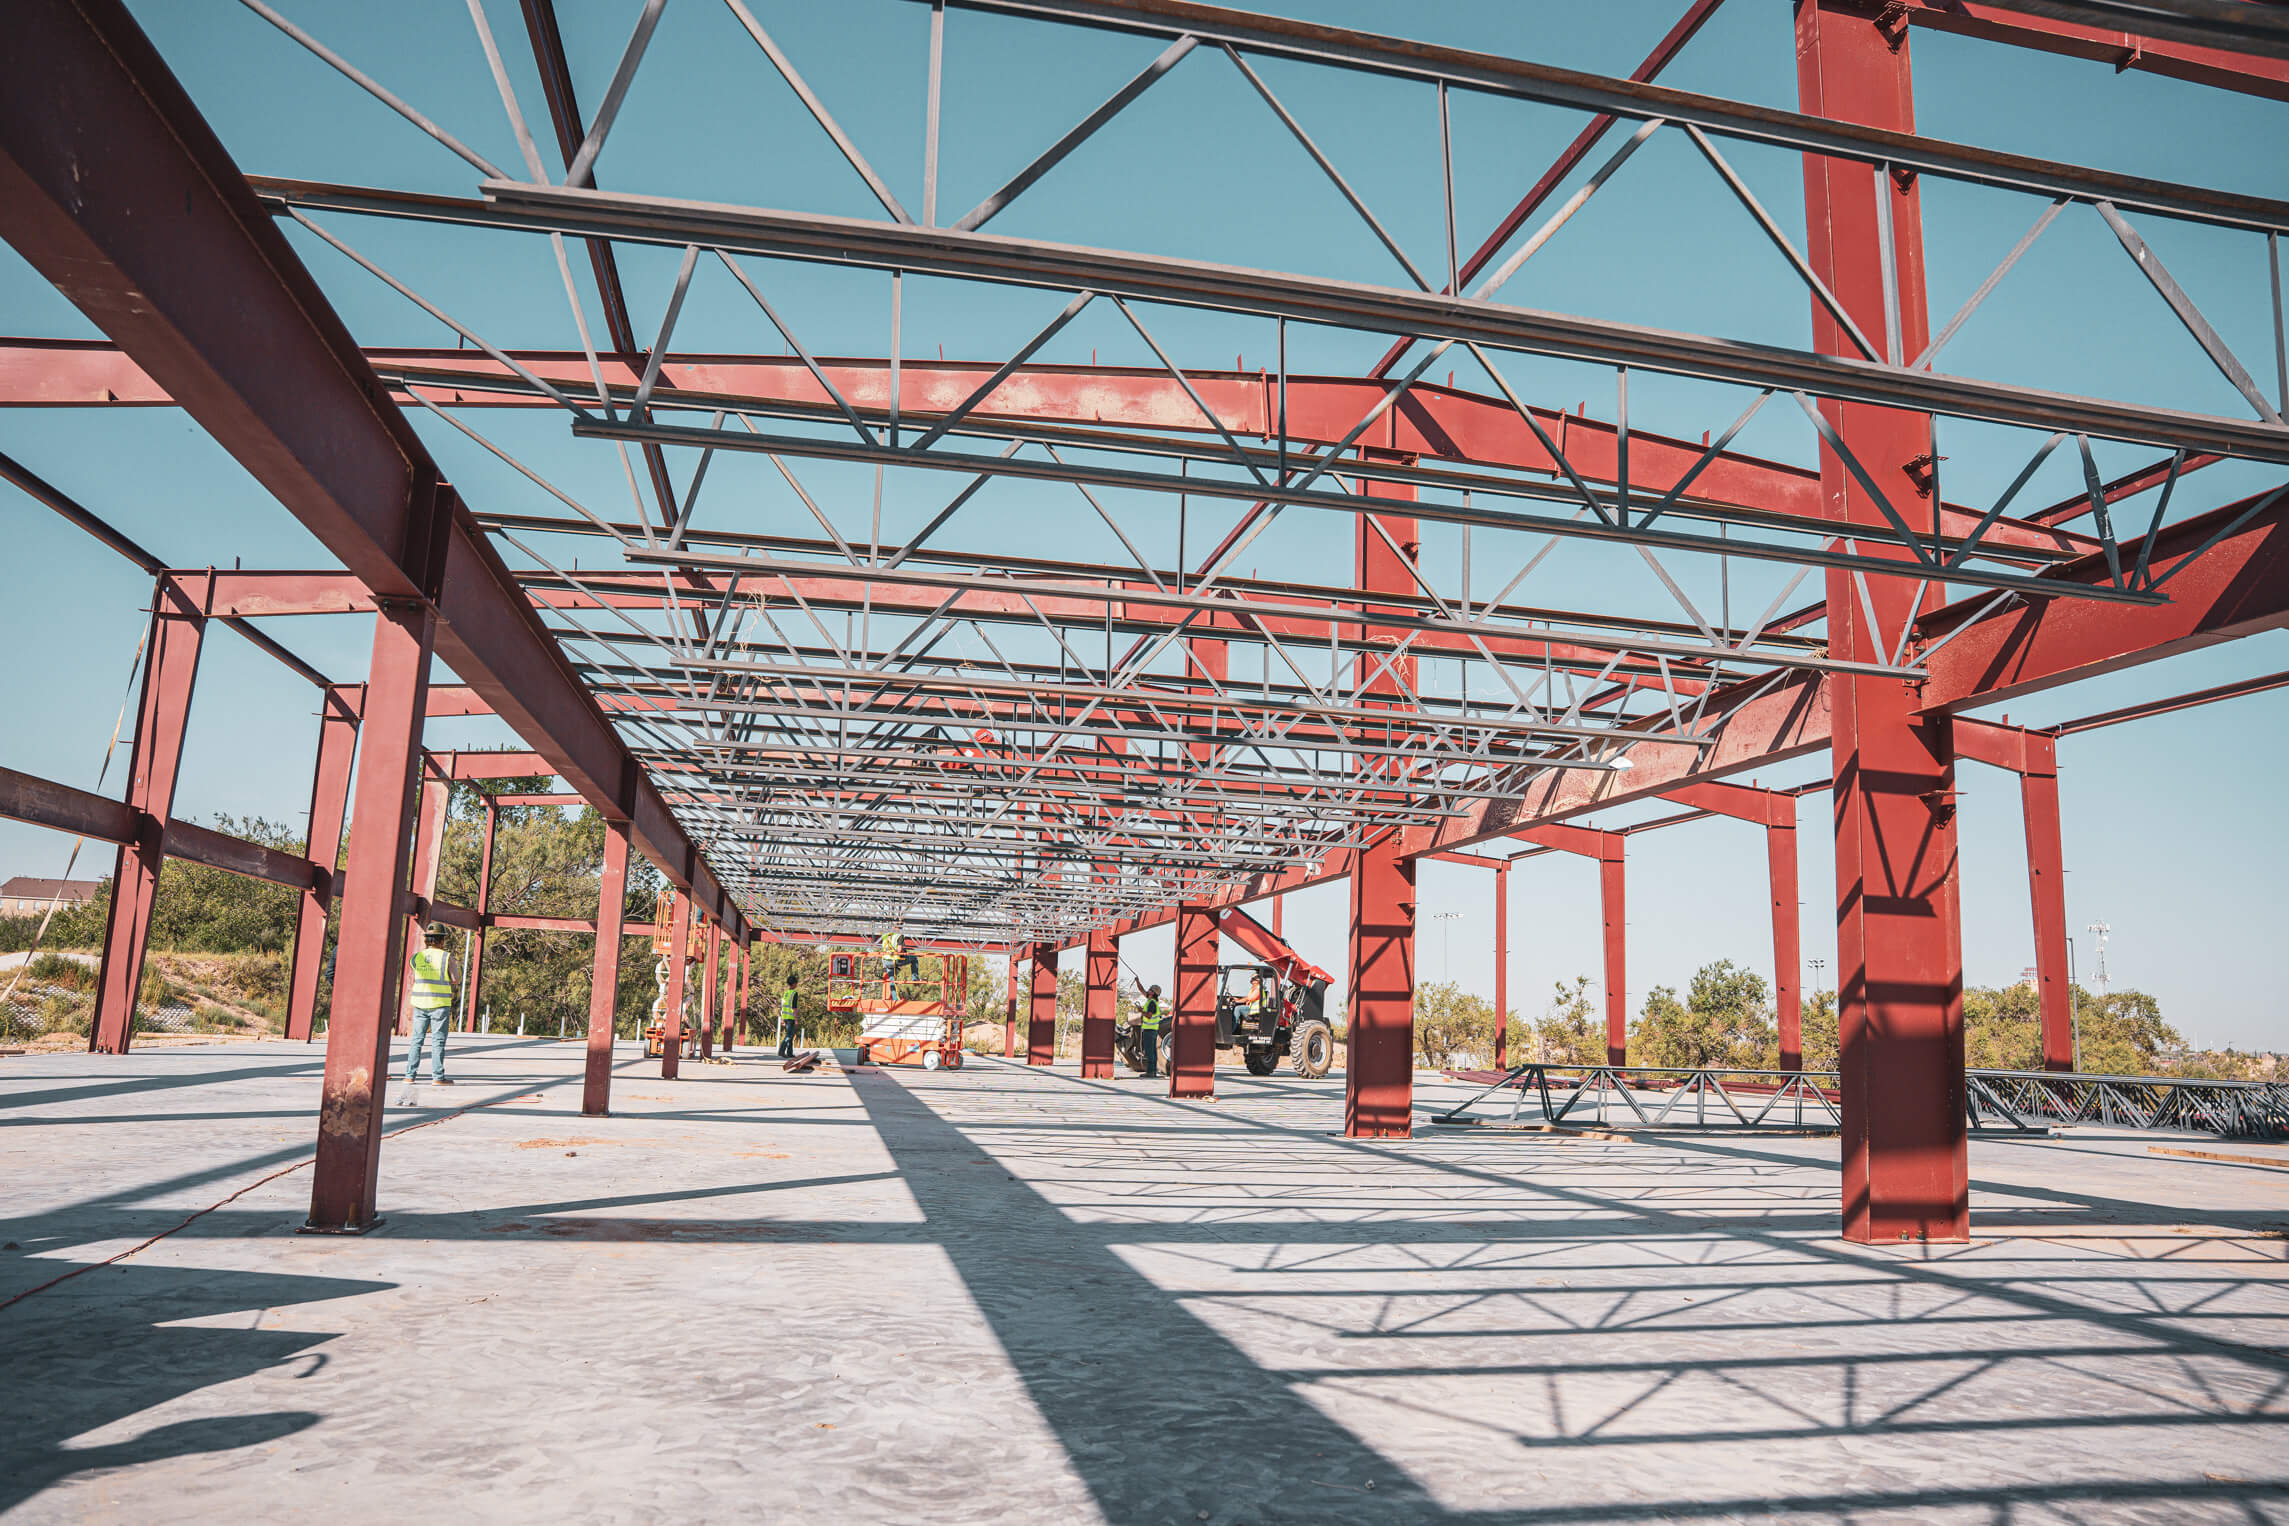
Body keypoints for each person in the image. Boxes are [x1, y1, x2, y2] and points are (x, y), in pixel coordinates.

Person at [405, 925, 457, 1091]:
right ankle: (437, 1077)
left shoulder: (416, 957)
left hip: (420, 1004)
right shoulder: (446, 957)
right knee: (438, 1041)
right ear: (442, 940)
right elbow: (455, 979)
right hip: (439, 1004)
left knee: (417, 1040)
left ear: (427, 939)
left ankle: (409, 1076)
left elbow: (414, 976)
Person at [1137, 982, 1164, 1079]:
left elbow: (1149, 1015)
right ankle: (1153, 1072)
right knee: (1152, 1052)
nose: (1147, 990)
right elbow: (1142, 990)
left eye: (1150, 989)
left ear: (1153, 992)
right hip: (1152, 1030)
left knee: (1150, 1052)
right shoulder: (1152, 1000)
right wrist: (1137, 981)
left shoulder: (1151, 1003)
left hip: (1149, 1030)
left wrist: (1141, 1011)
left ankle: (1150, 1072)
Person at [778, 972, 798, 1059]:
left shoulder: (785, 993)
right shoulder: (794, 993)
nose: (796, 984)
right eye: (796, 983)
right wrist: (796, 1019)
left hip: (785, 1017)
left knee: (791, 1035)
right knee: (789, 1036)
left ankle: (790, 1053)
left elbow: (782, 1006)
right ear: (793, 984)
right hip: (790, 1018)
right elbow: (794, 1007)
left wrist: (782, 1019)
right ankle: (781, 1051)